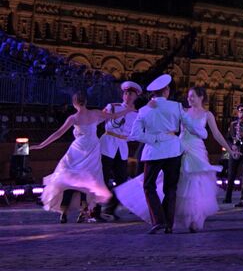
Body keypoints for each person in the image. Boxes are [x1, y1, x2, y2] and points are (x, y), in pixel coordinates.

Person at [116, 85, 234, 232]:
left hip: (196, 150)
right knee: (175, 185)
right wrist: (150, 105)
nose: (189, 99)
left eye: (193, 96)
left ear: (201, 97)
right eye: (188, 96)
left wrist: (229, 150)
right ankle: (168, 220)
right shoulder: (181, 109)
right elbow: (163, 114)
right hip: (179, 147)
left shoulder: (207, 114)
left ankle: (192, 218)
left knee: (195, 184)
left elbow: (216, 134)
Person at [35, 90, 129, 223]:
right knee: (89, 178)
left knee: (68, 175)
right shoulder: (95, 113)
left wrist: (41, 145)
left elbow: (58, 133)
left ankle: (66, 210)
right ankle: (85, 209)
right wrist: (127, 111)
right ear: (86, 102)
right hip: (92, 147)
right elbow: (114, 116)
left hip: (78, 148)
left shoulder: (74, 117)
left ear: (74, 103)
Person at [132, 74, 185, 234]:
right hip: (173, 150)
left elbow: (135, 134)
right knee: (171, 187)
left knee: (149, 186)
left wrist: (154, 138)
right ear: (166, 90)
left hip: (153, 152)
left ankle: (158, 220)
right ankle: (168, 224)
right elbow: (189, 125)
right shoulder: (176, 106)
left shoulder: (144, 110)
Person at [93, 80, 142, 222]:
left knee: (122, 181)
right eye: (126, 93)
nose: (128, 96)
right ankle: (95, 211)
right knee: (102, 178)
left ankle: (110, 209)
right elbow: (98, 120)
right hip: (107, 145)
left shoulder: (137, 114)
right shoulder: (113, 107)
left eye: (131, 94)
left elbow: (135, 133)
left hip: (122, 147)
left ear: (136, 97)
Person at [222, 103, 243, 204]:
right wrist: (231, 146)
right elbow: (228, 138)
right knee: (231, 174)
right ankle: (228, 197)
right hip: (235, 151)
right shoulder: (233, 124)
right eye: (240, 111)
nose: (241, 113)